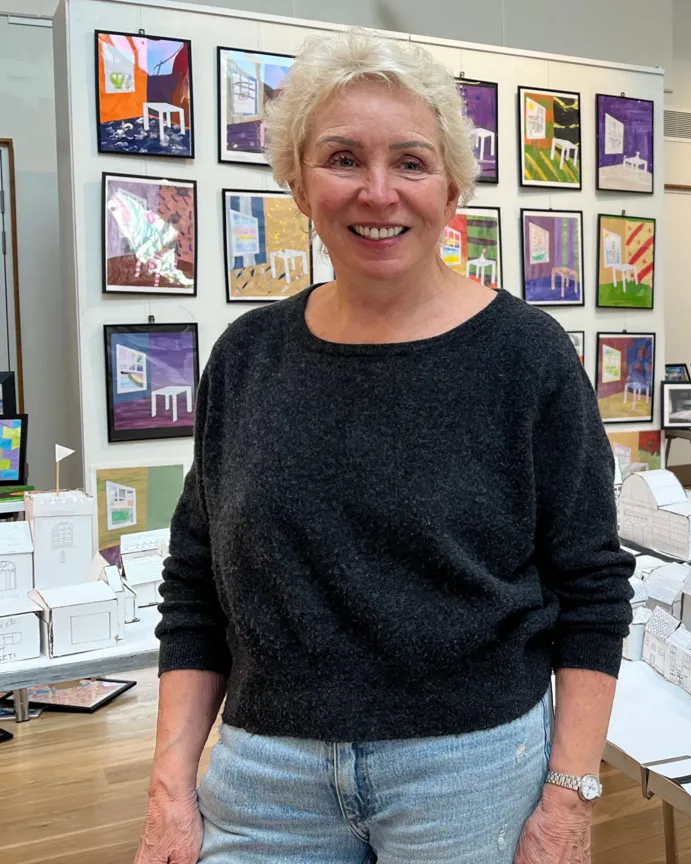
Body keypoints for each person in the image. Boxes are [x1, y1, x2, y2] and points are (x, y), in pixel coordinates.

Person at [136, 30, 632, 864]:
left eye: (410, 162)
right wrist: (167, 784)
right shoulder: (248, 358)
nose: (378, 192)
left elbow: (591, 589)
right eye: (342, 158)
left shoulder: (526, 357)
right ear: (296, 181)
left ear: (451, 187)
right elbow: (195, 586)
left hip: (470, 773)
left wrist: (570, 799)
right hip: (266, 774)